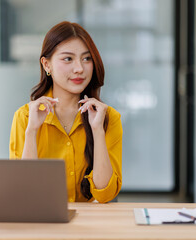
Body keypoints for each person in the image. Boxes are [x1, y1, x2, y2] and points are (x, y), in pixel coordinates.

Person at [9, 21, 123, 203]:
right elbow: (23, 193)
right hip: (43, 223)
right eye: (68, 59)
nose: (79, 68)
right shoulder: (25, 117)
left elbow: (105, 194)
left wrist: (97, 131)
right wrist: (31, 132)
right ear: (47, 65)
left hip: (90, 226)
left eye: (86, 59)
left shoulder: (108, 117)